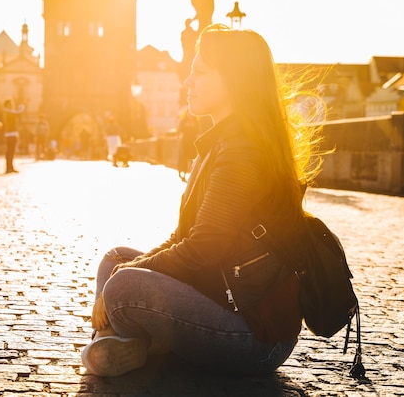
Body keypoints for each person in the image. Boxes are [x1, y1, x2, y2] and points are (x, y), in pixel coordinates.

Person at [81, 24, 324, 377]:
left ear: (233, 81)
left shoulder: (242, 151)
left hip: (254, 335)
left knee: (121, 284)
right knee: (114, 260)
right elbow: (183, 239)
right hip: (220, 292)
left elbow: (202, 249)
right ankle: (132, 341)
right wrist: (131, 266)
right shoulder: (222, 142)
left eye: (198, 72)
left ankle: (128, 341)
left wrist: (131, 275)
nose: (187, 82)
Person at [2, 99, 25, 174]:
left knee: (10, 151)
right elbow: (19, 112)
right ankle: (9, 167)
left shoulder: (7, 112)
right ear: (7, 105)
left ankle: (10, 166)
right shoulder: (8, 112)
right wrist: (22, 106)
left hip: (11, 133)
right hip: (10, 133)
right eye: (10, 104)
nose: (12, 105)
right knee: (10, 151)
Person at [176, 111, 199, 181]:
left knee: (192, 158)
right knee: (184, 158)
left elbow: (197, 130)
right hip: (185, 141)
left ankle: (192, 174)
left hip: (192, 142)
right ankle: (183, 173)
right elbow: (180, 129)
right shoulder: (183, 121)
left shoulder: (195, 121)